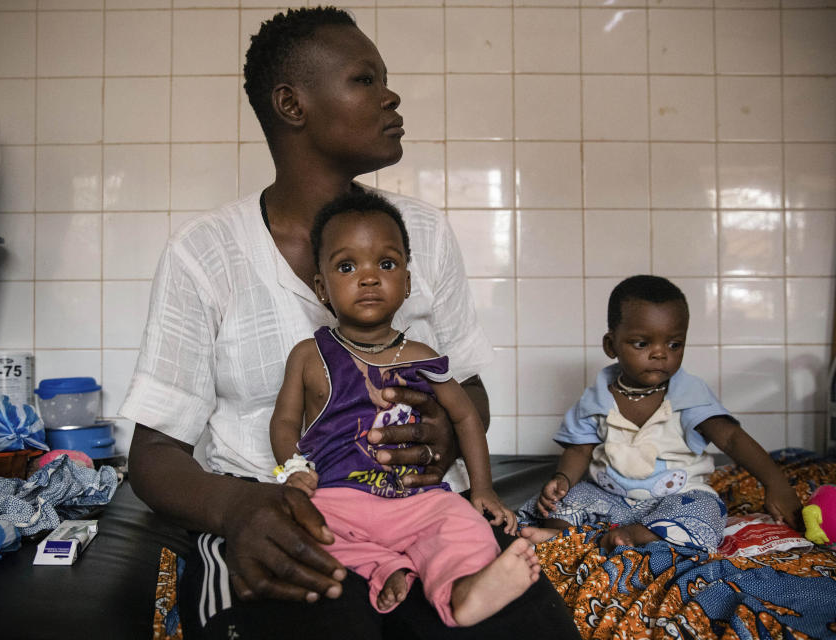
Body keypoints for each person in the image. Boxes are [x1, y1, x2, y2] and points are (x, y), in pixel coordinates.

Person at [121, 6, 580, 639]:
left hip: (424, 511)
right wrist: (241, 508)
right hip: (291, 519)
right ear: (292, 104)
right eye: (366, 79)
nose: (392, 95)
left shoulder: (425, 234)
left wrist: (443, 432)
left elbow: (467, 389)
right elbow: (153, 454)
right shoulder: (206, 254)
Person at [270, 191, 539, 627]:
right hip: (340, 498)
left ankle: (463, 589)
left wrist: (483, 489)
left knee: (460, 523)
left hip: (414, 498)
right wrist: (292, 470)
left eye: (387, 264)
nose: (370, 278)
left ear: (409, 283)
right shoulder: (309, 355)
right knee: (300, 526)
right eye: (347, 266)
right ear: (321, 288)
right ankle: (383, 566)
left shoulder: (422, 355)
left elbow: (465, 415)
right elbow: (283, 422)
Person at [518, 275, 802, 553]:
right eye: (642, 344)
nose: (660, 354)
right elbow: (580, 450)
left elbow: (730, 439)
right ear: (611, 345)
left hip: (677, 498)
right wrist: (563, 480)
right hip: (611, 497)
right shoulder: (596, 398)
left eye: (674, 344)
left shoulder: (689, 394)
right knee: (567, 499)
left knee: (707, 511)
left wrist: (777, 485)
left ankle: (636, 534)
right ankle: (558, 532)